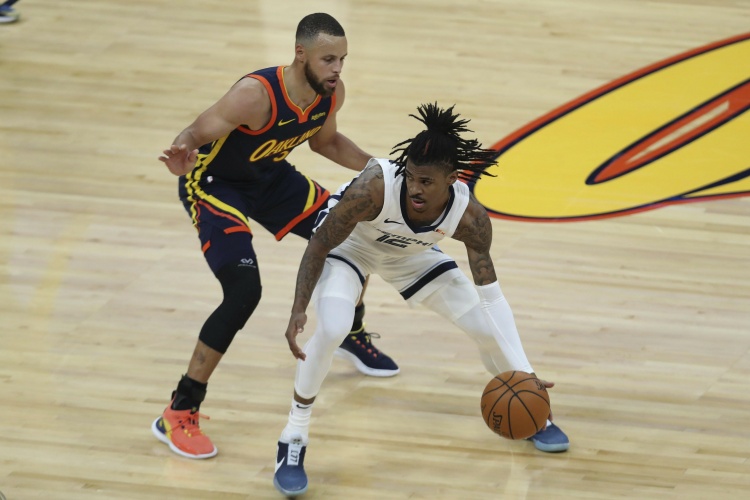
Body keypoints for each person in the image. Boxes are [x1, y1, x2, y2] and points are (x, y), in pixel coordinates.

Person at [273, 103, 570, 497]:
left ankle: (533, 412)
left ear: (452, 179)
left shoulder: (470, 218)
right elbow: (320, 244)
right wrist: (298, 308)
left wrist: (526, 373)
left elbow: (492, 298)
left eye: (426, 181)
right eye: (411, 177)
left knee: (487, 330)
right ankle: (293, 436)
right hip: (351, 248)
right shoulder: (374, 187)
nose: (415, 188)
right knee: (333, 328)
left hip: (410, 256)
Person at [153, 13, 399, 460]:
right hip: (215, 185)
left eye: (342, 59)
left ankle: (349, 330)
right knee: (243, 292)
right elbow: (195, 132)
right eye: (328, 59)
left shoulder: (329, 93)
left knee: (351, 233)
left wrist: (381, 170)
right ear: (300, 54)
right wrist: (181, 153)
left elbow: (325, 143)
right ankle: (180, 410)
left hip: (269, 177)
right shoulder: (255, 94)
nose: (337, 69)